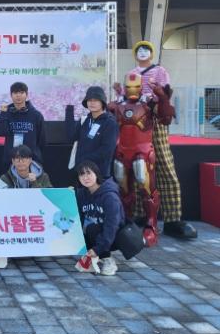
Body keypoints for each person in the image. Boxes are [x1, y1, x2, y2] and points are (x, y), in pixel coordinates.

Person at [114, 40, 197, 240]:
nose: (142, 52)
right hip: (134, 121)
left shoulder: (160, 71)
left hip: (155, 119)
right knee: (135, 167)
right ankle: (139, 215)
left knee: (164, 166)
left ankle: (172, 218)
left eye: (146, 49)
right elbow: (125, 97)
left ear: (151, 53)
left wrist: (159, 95)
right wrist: (119, 94)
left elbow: (165, 94)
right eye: (139, 49)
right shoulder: (131, 73)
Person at [108, 73, 174, 247]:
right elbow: (106, 116)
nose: (132, 90)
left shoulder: (148, 103)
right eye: (129, 87)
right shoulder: (118, 104)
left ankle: (151, 225)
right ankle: (125, 221)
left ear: (141, 87)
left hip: (142, 151)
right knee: (123, 188)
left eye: (135, 87)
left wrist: (162, 97)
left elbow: (166, 118)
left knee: (147, 187)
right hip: (122, 151)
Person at [74, 161, 125, 276]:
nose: (85, 177)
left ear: (96, 174)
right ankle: (94, 255)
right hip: (94, 232)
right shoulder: (81, 194)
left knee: (92, 228)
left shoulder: (110, 196)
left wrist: (98, 249)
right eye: (82, 174)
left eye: (89, 173)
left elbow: (112, 225)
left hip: (114, 234)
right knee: (80, 230)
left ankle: (107, 259)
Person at [65, 86, 118, 179]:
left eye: (96, 100)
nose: (92, 103)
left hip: (100, 174)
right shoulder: (84, 120)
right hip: (82, 173)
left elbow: (107, 150)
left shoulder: (110, 123)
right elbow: (71, 137)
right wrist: (69, 111)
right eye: (89, 100)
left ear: (102, 102)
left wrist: (84, 159)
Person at [0, 82, 46, 166]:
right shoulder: (6, 113)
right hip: (11, 160)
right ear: (11, 95)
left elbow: (41, 140)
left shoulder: (36, 115)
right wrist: (3, 114)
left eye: (21, 92)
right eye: (15, 93)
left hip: (31, 160)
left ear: (26, 94)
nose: (18, 95)